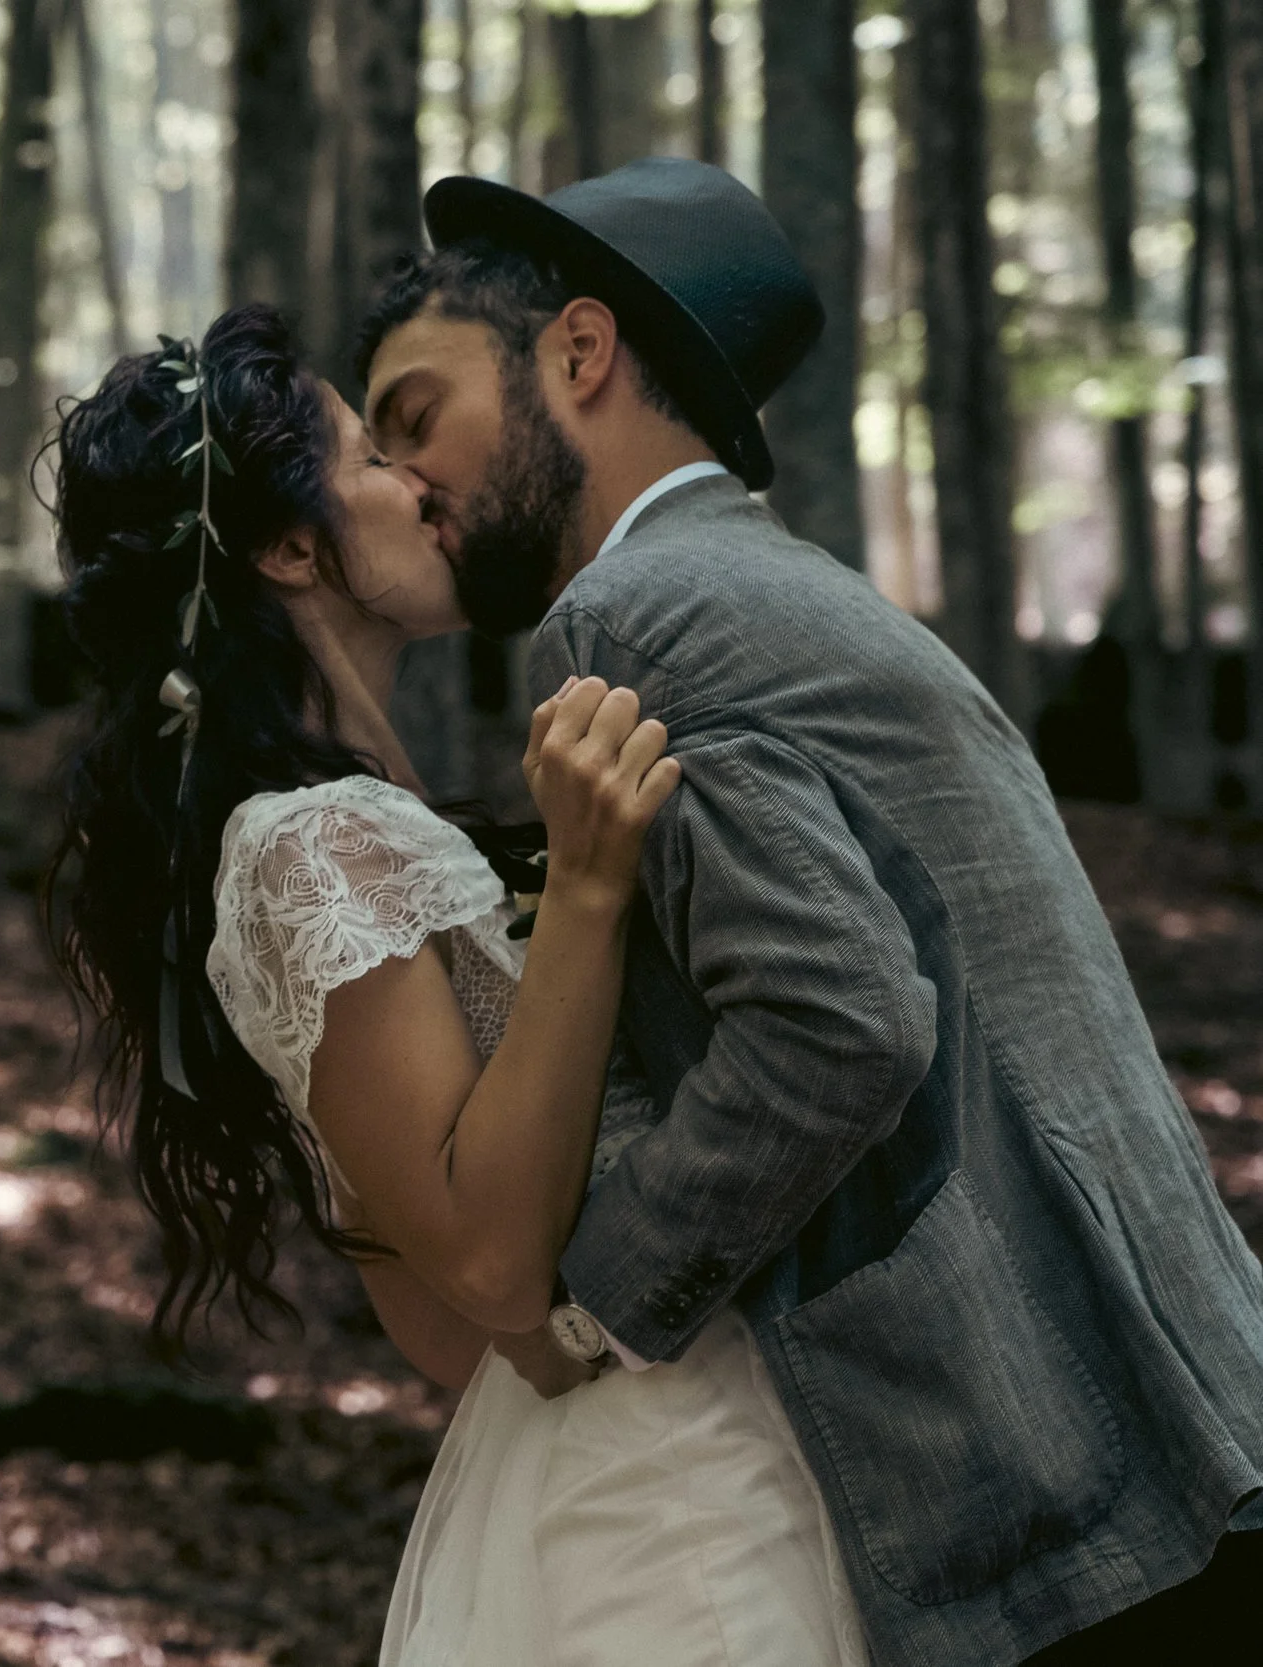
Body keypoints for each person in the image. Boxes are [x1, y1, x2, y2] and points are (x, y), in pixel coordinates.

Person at [356, 156, 1263, 1667]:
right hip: (1178, 1426)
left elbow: (838, 1018)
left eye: (414, 414)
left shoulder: (631, 613)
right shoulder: (785, 590)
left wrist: (592, 1304)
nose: (404, 484)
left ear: (577, 355)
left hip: (1067, 1478)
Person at [48, 303, 869, 1664]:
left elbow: (441, 1317)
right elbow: (489, 1264)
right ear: (290, 545)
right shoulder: (314, 846)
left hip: (645, 1438)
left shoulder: (358, 825)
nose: (420, 485)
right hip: (658, 1486)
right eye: (373, 457)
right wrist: (591, 895)